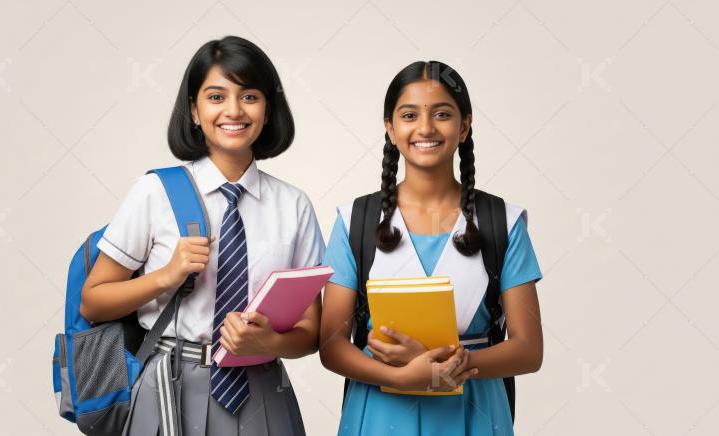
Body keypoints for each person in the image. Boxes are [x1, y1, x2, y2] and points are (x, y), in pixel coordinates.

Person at [81, 35, 325, 436]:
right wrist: (166, 275)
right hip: (169, 388)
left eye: (249, 97)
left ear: (267, 109)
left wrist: (269, 344)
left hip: (262, 387)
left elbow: (312, 330)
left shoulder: (293, 205)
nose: (233, 110)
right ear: (194, 111)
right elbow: (94, 302)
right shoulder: (155, 192)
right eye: (216, 97)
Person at [319, 61, 544, 435]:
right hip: (379, 410)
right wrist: (408, 376)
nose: (425, 128)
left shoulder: (503, 221)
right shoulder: (354, 221)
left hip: (473, 410)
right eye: (409, 115)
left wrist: (451, 365)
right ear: (390, 128)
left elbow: (528, 348)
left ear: (464, 126)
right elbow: (331, 344)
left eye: (442, 114)